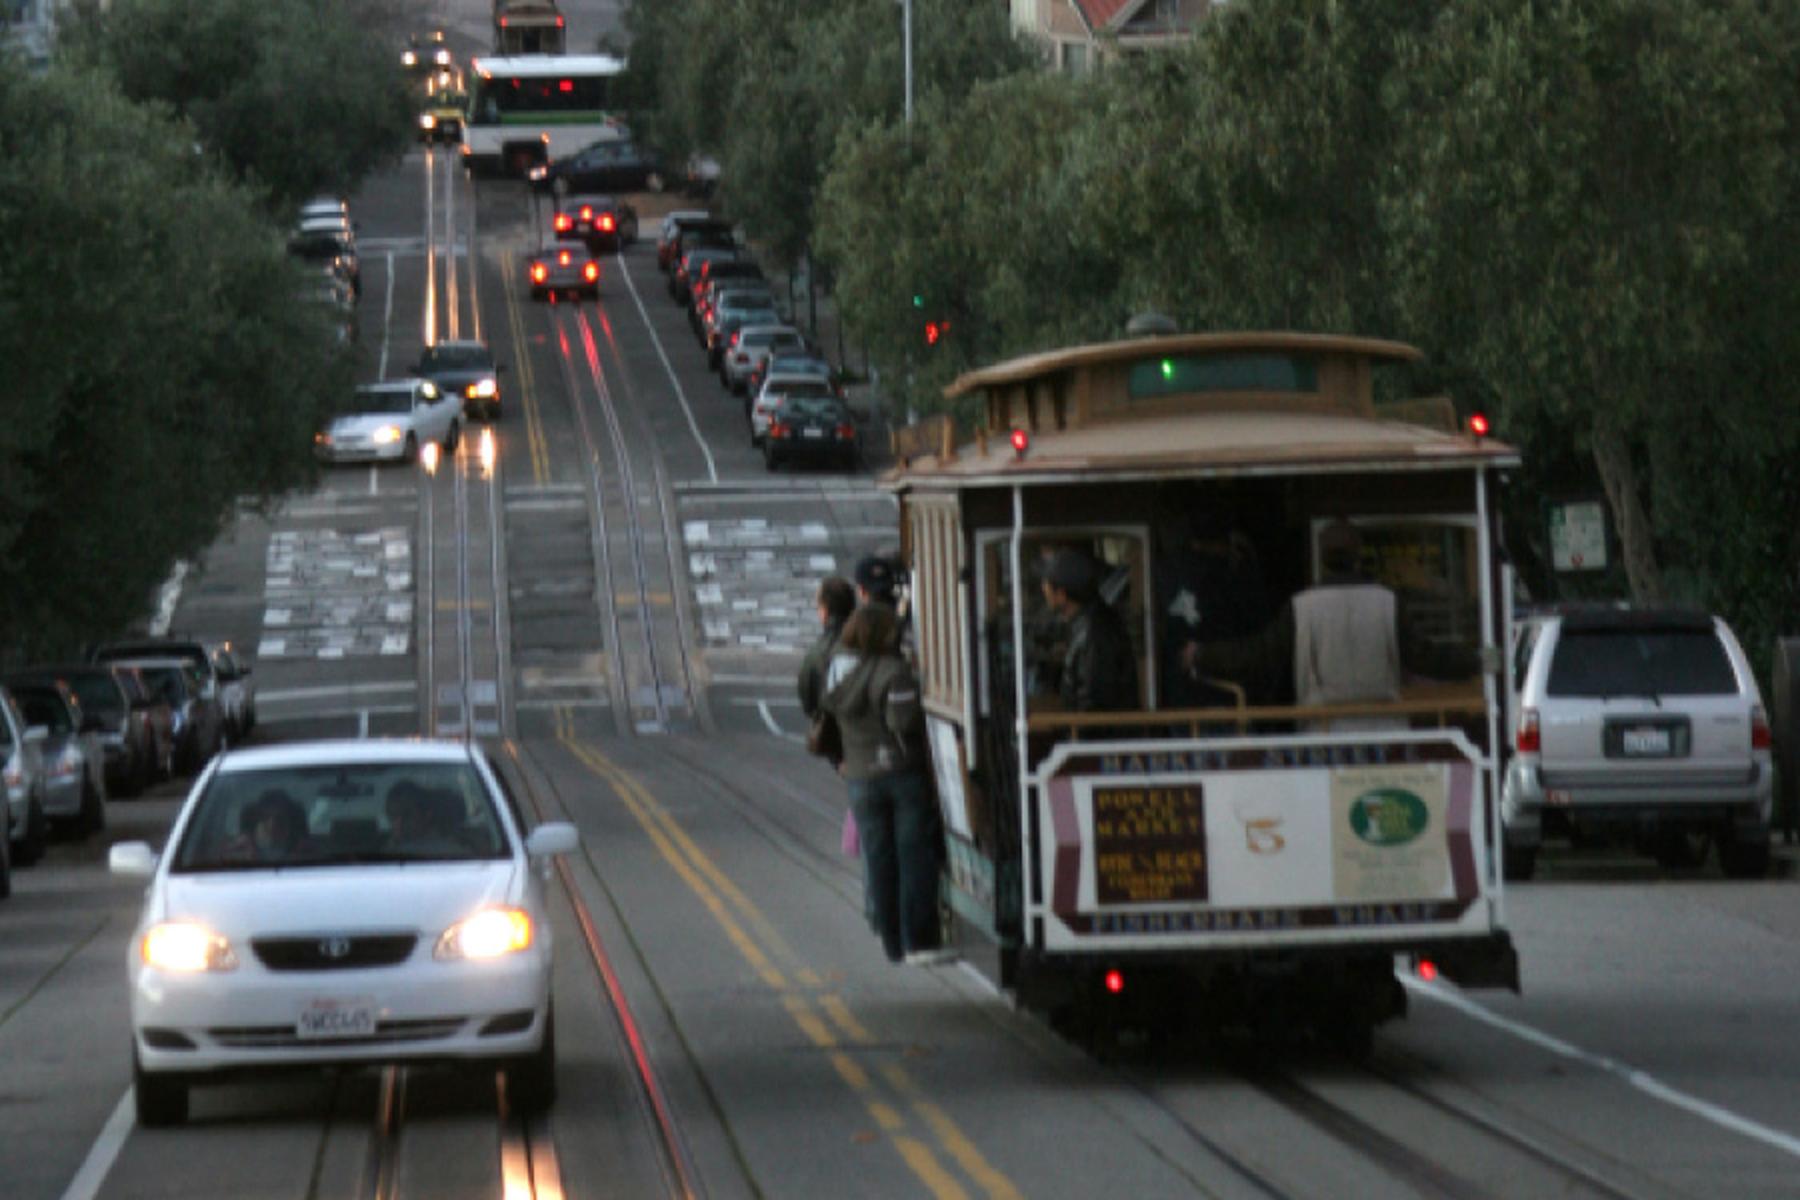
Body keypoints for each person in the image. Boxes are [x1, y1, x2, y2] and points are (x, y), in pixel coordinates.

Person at [821, 603, 953, 966]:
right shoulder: (893, 672)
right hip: (901, 773)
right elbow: (902, 721)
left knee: (878, 860)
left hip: (861, 778)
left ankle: (891, 941)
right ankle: (919, 941)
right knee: (913, 858)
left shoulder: (837, 671)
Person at [1192, 519, 1404, 732]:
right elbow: (1423, 656)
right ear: (1359, 554)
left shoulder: (1302, 606)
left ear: (1322, 557)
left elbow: (1260, 653)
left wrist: (1201, 654)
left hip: (1323, 731)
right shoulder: (1388, 603)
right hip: (1385, 731)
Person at [1159, 508, 1270, 708]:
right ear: (1225, 541)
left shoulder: (1166, 573)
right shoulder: (1235, 578)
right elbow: (1258, 640)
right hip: (1228, 696)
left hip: (1181, 699)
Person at [1040, 549, 1139, 713]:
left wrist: (1075, 731)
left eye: (1047, 585)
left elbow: (1094, 699)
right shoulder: (1089, 625)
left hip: (1099, 736)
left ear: (1061, 594)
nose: (1043, 588)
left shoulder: (1094, 633)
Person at [799, 576, 856, 723]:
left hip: (831, 733)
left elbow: (808, 701)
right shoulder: (870, 644)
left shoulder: (817, 652)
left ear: (824, 611)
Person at [227, 789, 311, 863]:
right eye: (265, 817)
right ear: (256, 822)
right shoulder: (235, 853)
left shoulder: (309, 854)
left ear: (291, 823)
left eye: (280, 819)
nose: (272, 824)